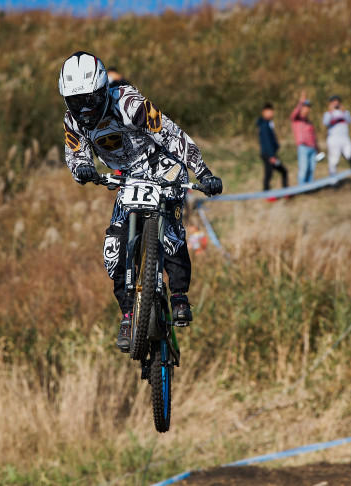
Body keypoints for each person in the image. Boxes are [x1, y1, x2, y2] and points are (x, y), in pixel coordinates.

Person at [59, 51, 223, 352]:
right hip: (127, 176)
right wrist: (82, 168)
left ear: (102, 90)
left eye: (90, 101)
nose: (84, 110)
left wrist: (203, 171)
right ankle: (128, 314)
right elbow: (76, 152)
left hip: (160, 162)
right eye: (75, 102)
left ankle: (178, 296)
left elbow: (171, 134)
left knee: (172, 228)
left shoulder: (129, 103)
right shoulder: (74, 120)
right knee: (114, 246)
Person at [322, 95, 351, 185]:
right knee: (334, 161)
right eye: (333, 101)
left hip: (345, 139)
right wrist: (331, 113)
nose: (336, 103)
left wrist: (344, 112)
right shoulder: (328, 113)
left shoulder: (345, 112)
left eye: (337, 101)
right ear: (330, 103)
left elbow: (349, 120)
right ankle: (333, 181)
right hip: (333, 139)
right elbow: (325, 122)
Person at [256, 103, 288, 191]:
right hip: (268, 154)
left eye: (271, 111)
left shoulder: (268, 123)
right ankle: (267, 193)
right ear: (264, 112)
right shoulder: (264, 125)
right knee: (269, 174)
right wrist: (271, 156)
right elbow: (266, 142)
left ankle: (286, 191)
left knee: (282, 171)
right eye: (269, 111)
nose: (271, 113)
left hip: (270, 153)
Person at [290, 91, 319, 184]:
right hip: (303, 147)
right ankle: (302, 188)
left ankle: (309, 188)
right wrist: (302, 100)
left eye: (308, 107)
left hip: (312, 148)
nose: (307, 109)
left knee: (311, 169)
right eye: (305, 107)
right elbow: (295, 113)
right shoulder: (296, 120)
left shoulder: (309, 122)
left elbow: (314, 137)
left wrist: (317, 148)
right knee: (304, 168)